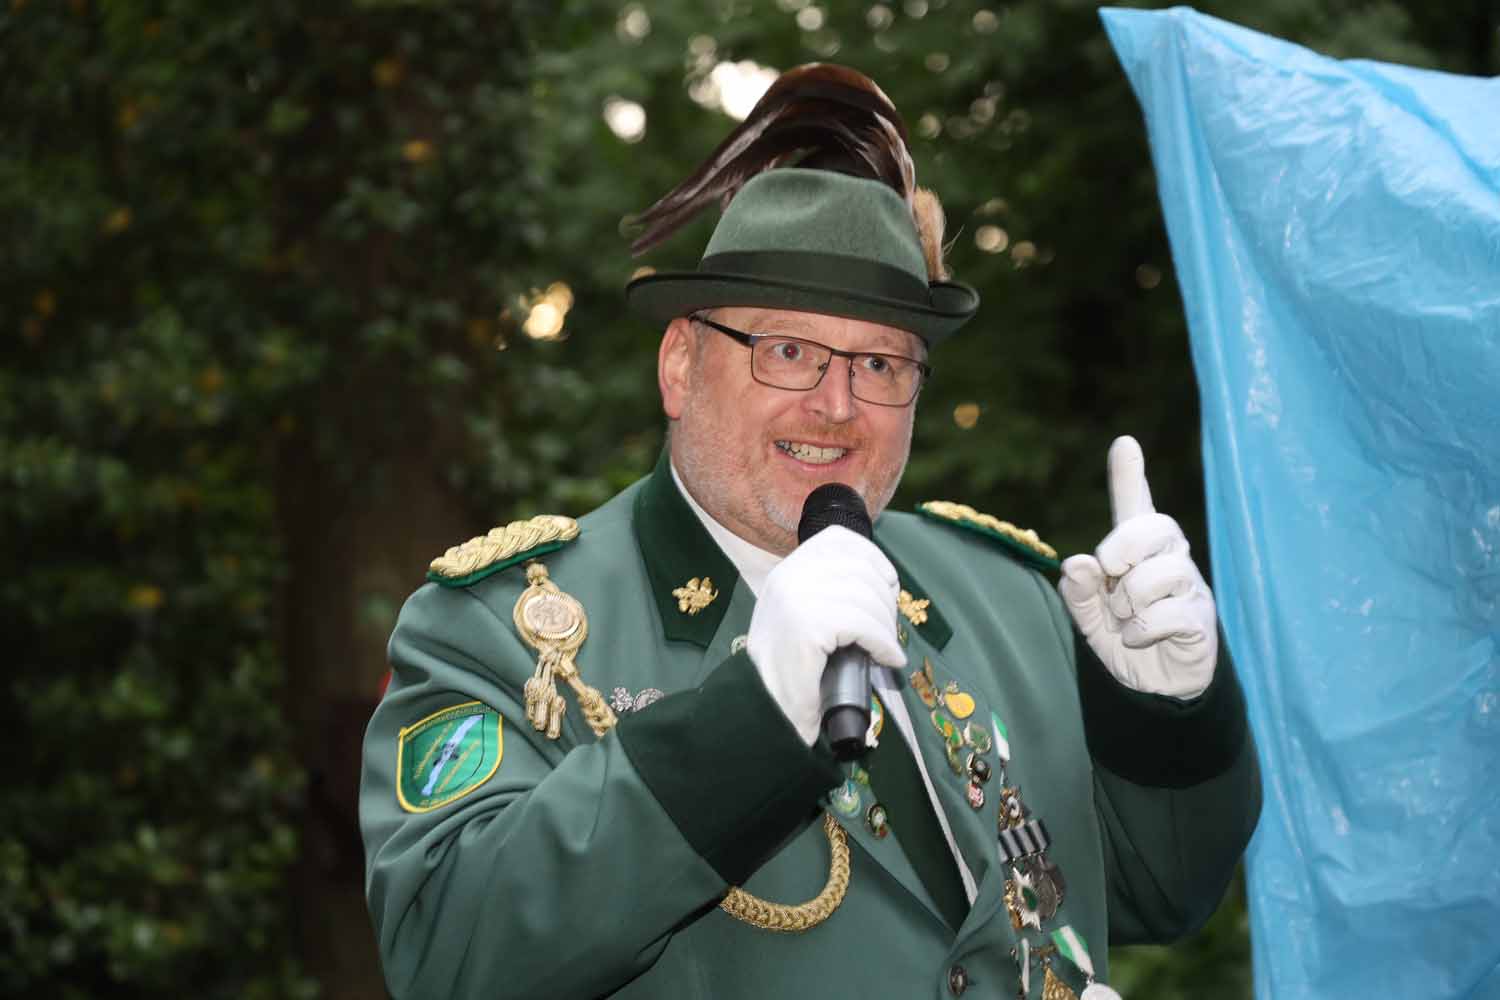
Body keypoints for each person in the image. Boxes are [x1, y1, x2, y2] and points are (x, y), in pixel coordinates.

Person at [359, 64, 1260, 1000]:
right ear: (679, 366)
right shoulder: (507, 626)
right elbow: (450, 952)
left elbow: (1161, 894)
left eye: (880, 363)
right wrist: (754, 719)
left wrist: (1168, 719)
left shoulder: (1007, 597)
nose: (836, 406)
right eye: (788, 350)